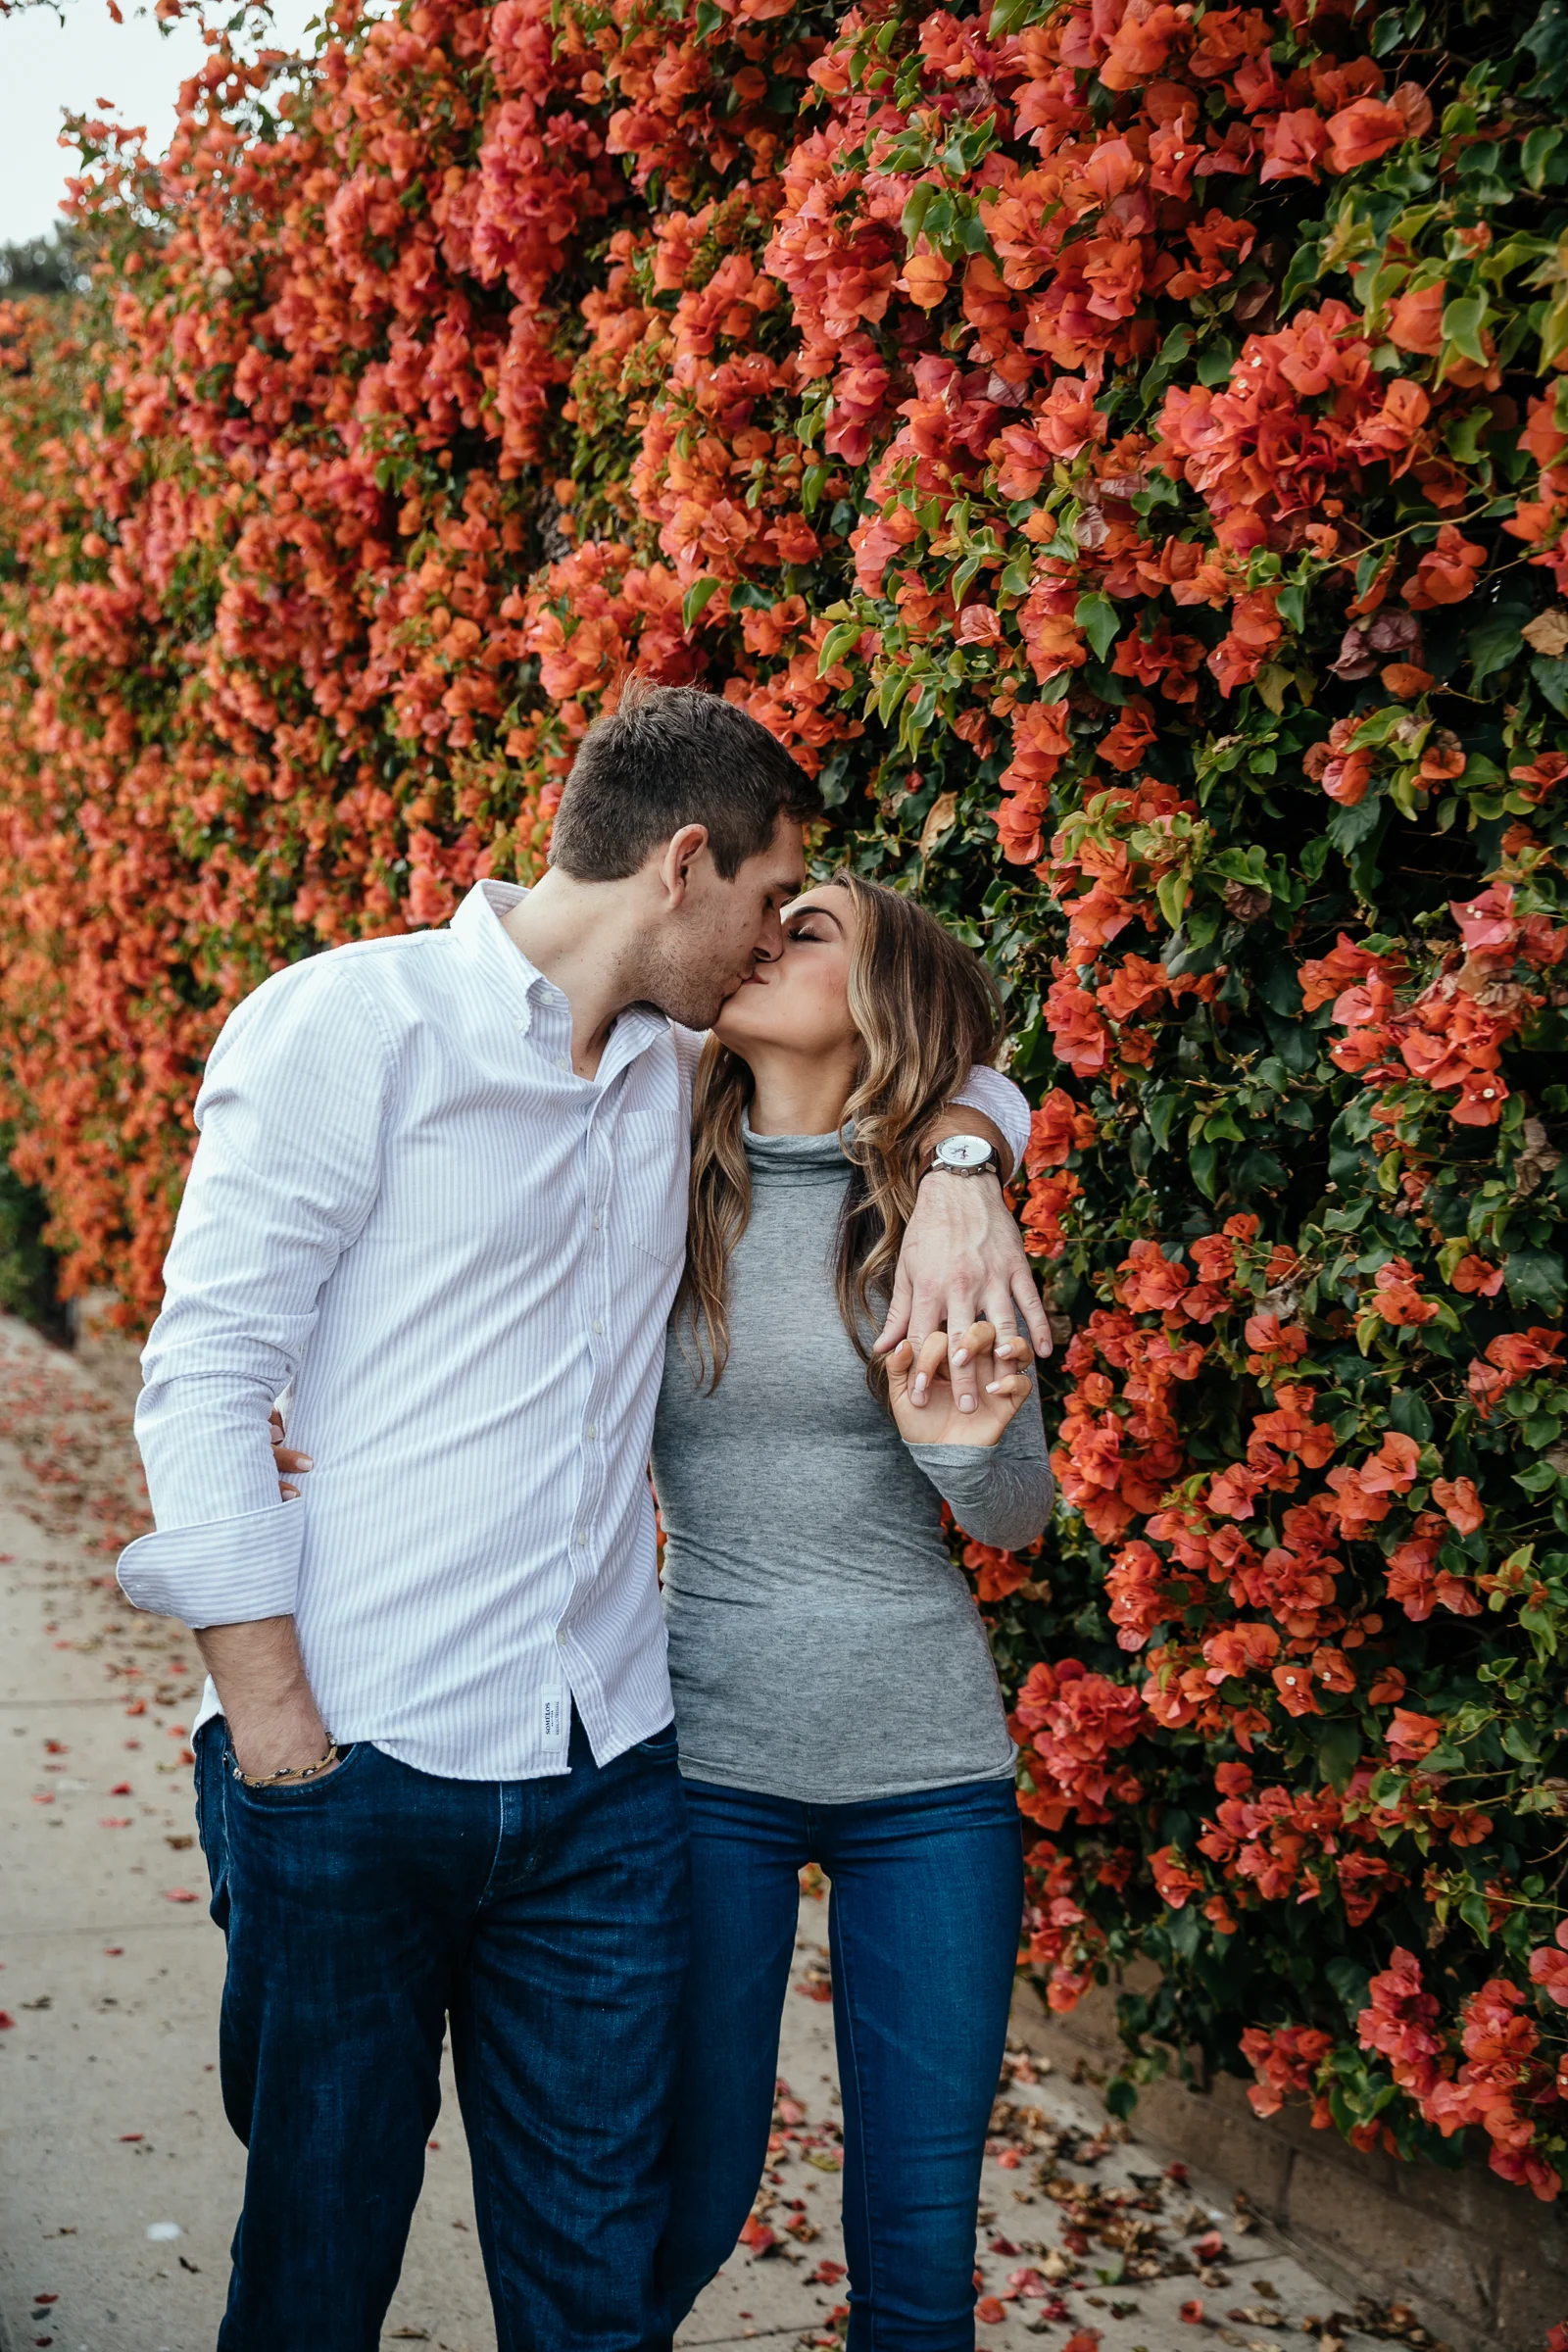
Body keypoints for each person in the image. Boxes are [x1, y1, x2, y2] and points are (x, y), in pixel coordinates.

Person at [115, 678, 1047, 2352]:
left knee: (598, 2289)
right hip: (356, 1756)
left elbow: (941, 1049)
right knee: (319, 2254)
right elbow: (204, 1374)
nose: (772, 940)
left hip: (603, 1775)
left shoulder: (673, 1073)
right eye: (774, 898)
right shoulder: (356, 1024)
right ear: (686, 866)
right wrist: (276, 1742)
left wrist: (971, 1169)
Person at [650, 871, 1053, 2351]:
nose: (763, 935)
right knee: (681, 2203)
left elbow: (1015, 1517)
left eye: (808, 928)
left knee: (918, 2250)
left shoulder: (942, 1227)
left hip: (929, 1775)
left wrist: (966, 1448)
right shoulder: (656, 1179)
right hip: (705, 1762)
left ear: (885, 999)